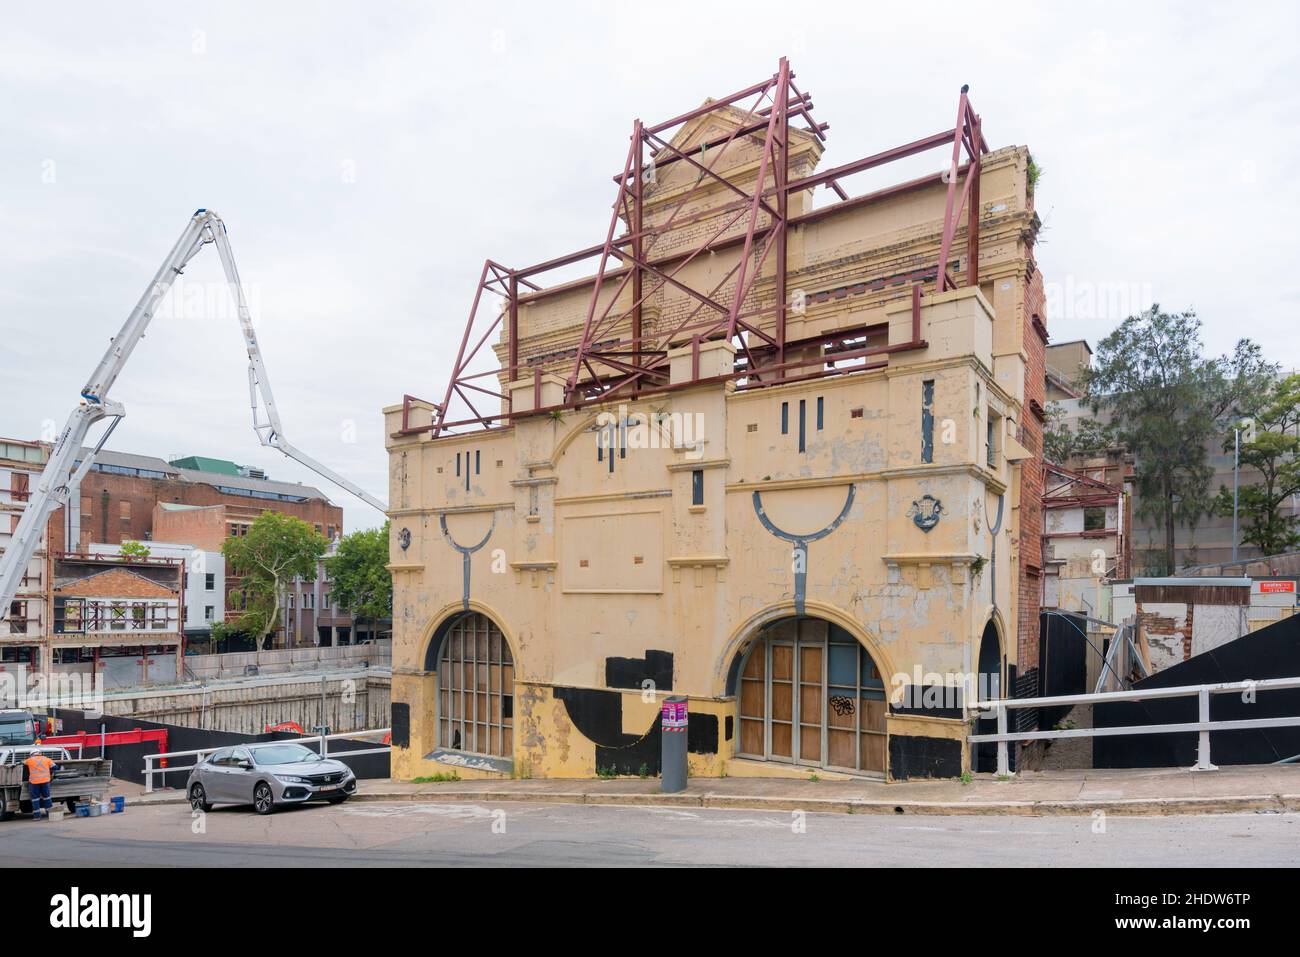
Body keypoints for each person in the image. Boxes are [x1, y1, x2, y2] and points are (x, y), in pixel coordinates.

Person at [23, 746, 59, 820]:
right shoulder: (47, 759)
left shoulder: (29, 760)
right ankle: (49, 814)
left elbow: (22, 763)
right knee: (47, 797)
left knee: (35, 799)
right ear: (40, 753)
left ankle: (37, 816)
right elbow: (55, 767)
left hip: (34, 782)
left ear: (32, 754)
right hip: (45, 781)